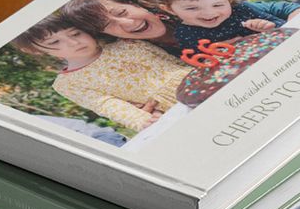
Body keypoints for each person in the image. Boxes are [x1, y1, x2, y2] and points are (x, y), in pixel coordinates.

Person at [12, 13, 191, 132]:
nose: (74, 43)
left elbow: (174, 63)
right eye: (54, 42)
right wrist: (142, 120)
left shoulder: (128, 44)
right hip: (171, 106)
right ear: (37, 51)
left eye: (75, 34)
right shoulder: (68, 83)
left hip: (198, 80)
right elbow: (106, 104)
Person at [153, 0, 300, 52]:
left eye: (218, 4)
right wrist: (217, 53)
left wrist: (269, 27)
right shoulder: (185, 33)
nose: (209, 13)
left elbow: (285, 27)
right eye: (192, 8)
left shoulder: (241, 9)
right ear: (169, 9)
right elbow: (199, 61)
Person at [63, 0, 182, 56]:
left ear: (133, 4)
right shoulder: (139, 56)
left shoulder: (183, 7)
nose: (129, 23)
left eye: (121, 12)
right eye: (108, 25)